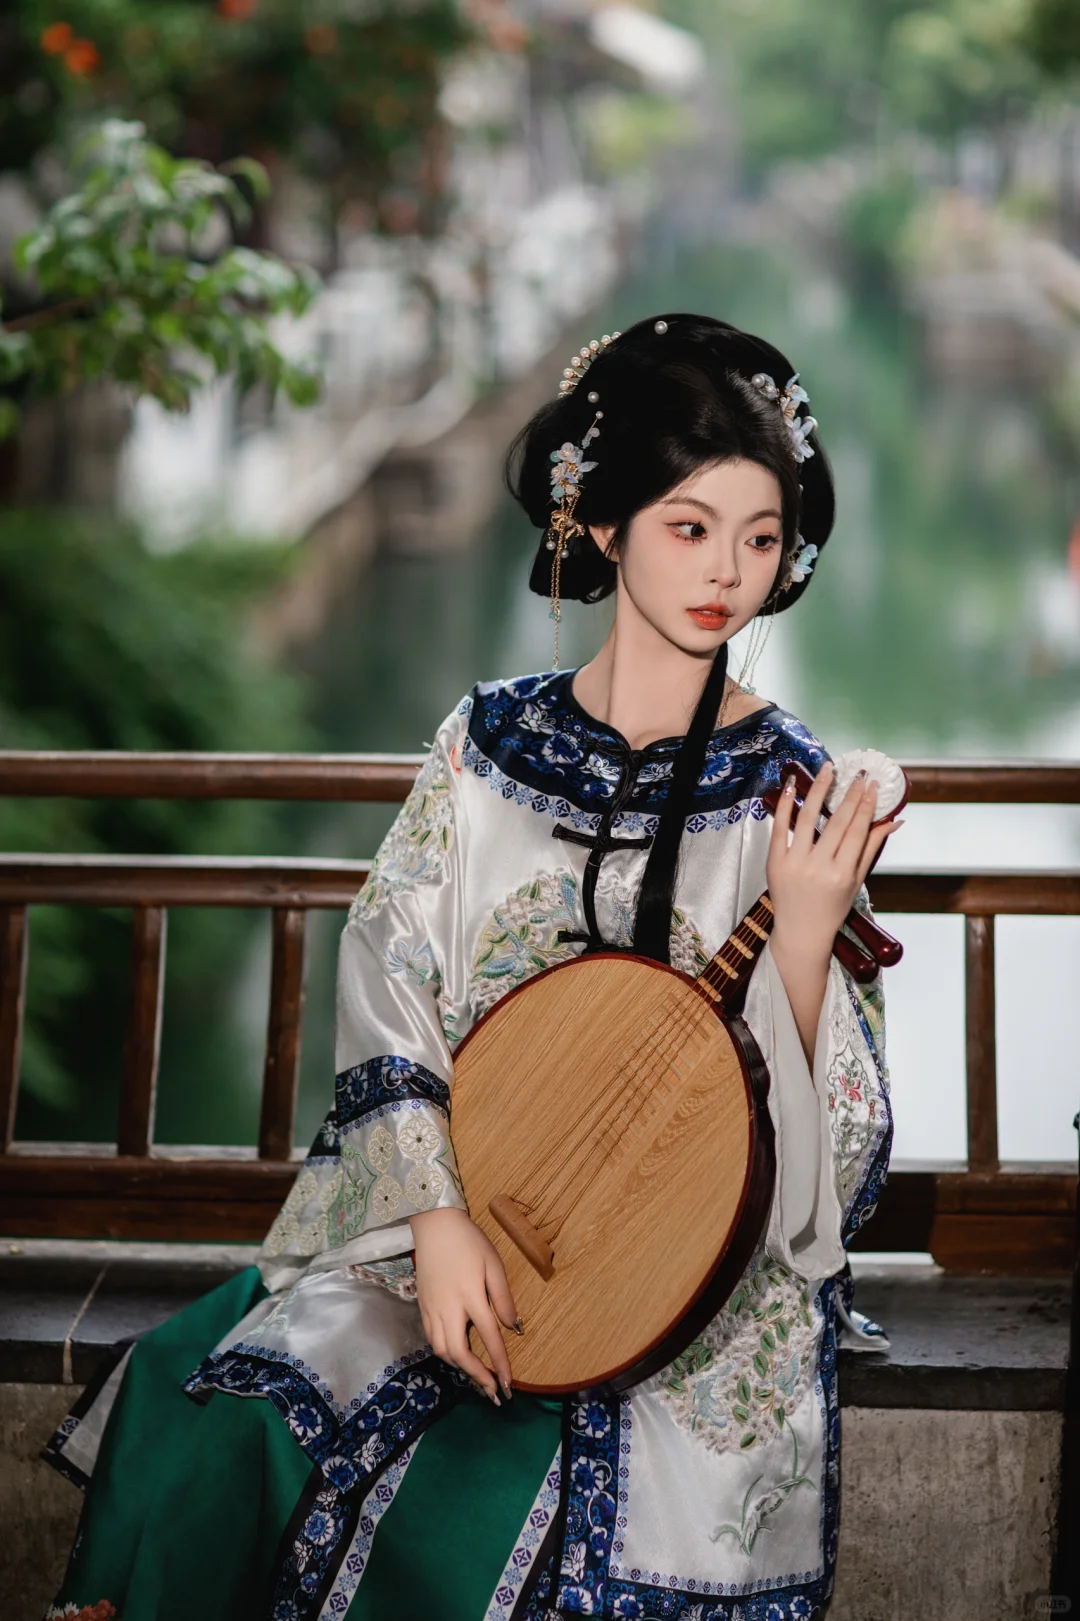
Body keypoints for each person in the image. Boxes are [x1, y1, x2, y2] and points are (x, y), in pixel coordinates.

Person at [44, 315, 900, 1621]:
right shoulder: (485, 743)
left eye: (760, 535)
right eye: (689, 526)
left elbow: (837, 1151)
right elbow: (388, 969)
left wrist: (799, 933)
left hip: (691, 1294)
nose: (727, 569)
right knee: (230, 1410)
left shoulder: (789, 788)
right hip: (460, 1220)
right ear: (603, 525)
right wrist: (437, 1224)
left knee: (509, 1546)